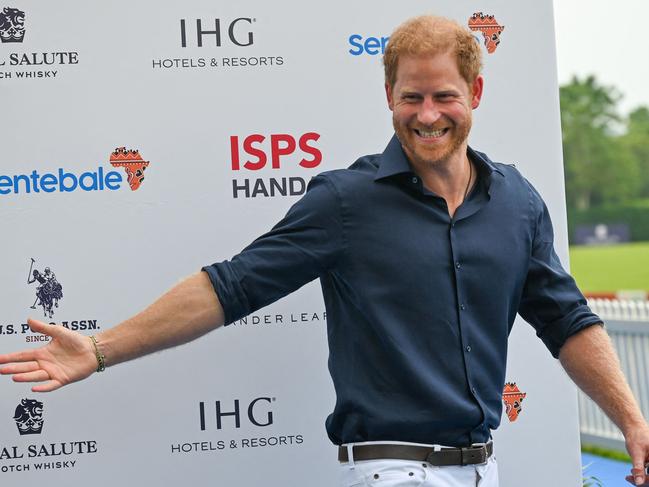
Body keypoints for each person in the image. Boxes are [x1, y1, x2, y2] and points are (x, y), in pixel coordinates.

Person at [1, 15, 648, 487]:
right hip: (391, 469)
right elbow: (230, 285)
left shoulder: (517, 201)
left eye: (443, 95)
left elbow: (567, 320)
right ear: (388, 98)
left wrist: (630, 419)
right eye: (410, 96)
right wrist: (100, 347)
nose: (427, 114)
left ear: (473, 95)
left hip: (485, 465)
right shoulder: (346, 200)